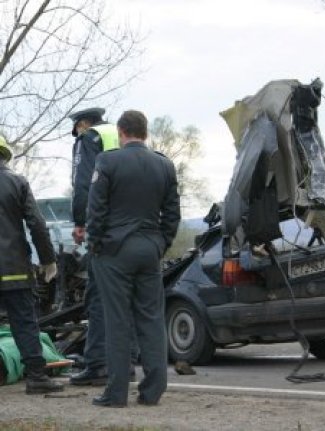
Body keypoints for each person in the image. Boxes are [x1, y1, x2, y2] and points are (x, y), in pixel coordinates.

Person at [87, 110, 181, 407]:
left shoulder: (107, 161)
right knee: (151, 319)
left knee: (117, 321)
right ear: (145, 132)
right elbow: (172, 214)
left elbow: (96, 210)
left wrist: (95, 245)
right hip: (149, 248)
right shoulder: (164, 166)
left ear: (121, 132)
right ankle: (153, 390)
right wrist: (160, 244)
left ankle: (116, 394)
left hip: (114, 251)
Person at [68, 107, 138, 386]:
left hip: (104, 231)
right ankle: (128, 362)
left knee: (96, 297)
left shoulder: (89, 138)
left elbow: (82, 183)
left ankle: (96, 364)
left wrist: (80, 222)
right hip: (131, 230)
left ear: (83, 124)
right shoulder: (121, 137)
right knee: (127, 298)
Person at [0, 136, 63, 394]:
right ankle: (37, 376)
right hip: (14, 269)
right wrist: (48, 260)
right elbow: (37, 224)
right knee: (24, 321)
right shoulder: (17, 182)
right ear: (5, 156)